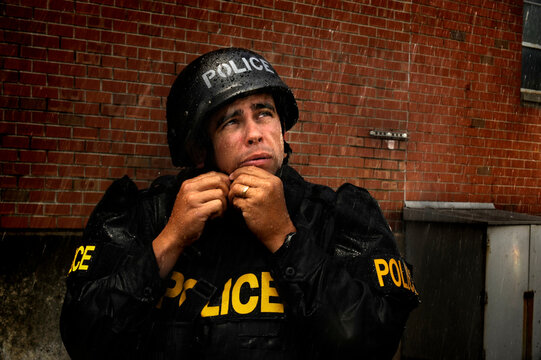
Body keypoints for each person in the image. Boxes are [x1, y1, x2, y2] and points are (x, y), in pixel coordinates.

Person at [60, 48, 419, 360]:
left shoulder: (338, 216)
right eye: (231, 121)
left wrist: (285, 239)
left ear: (281, 128)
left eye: (264, 112)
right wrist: (170, 240)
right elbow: (87, 340)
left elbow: (370, 344)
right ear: (201, 149)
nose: (254, 133)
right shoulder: (143, 215)